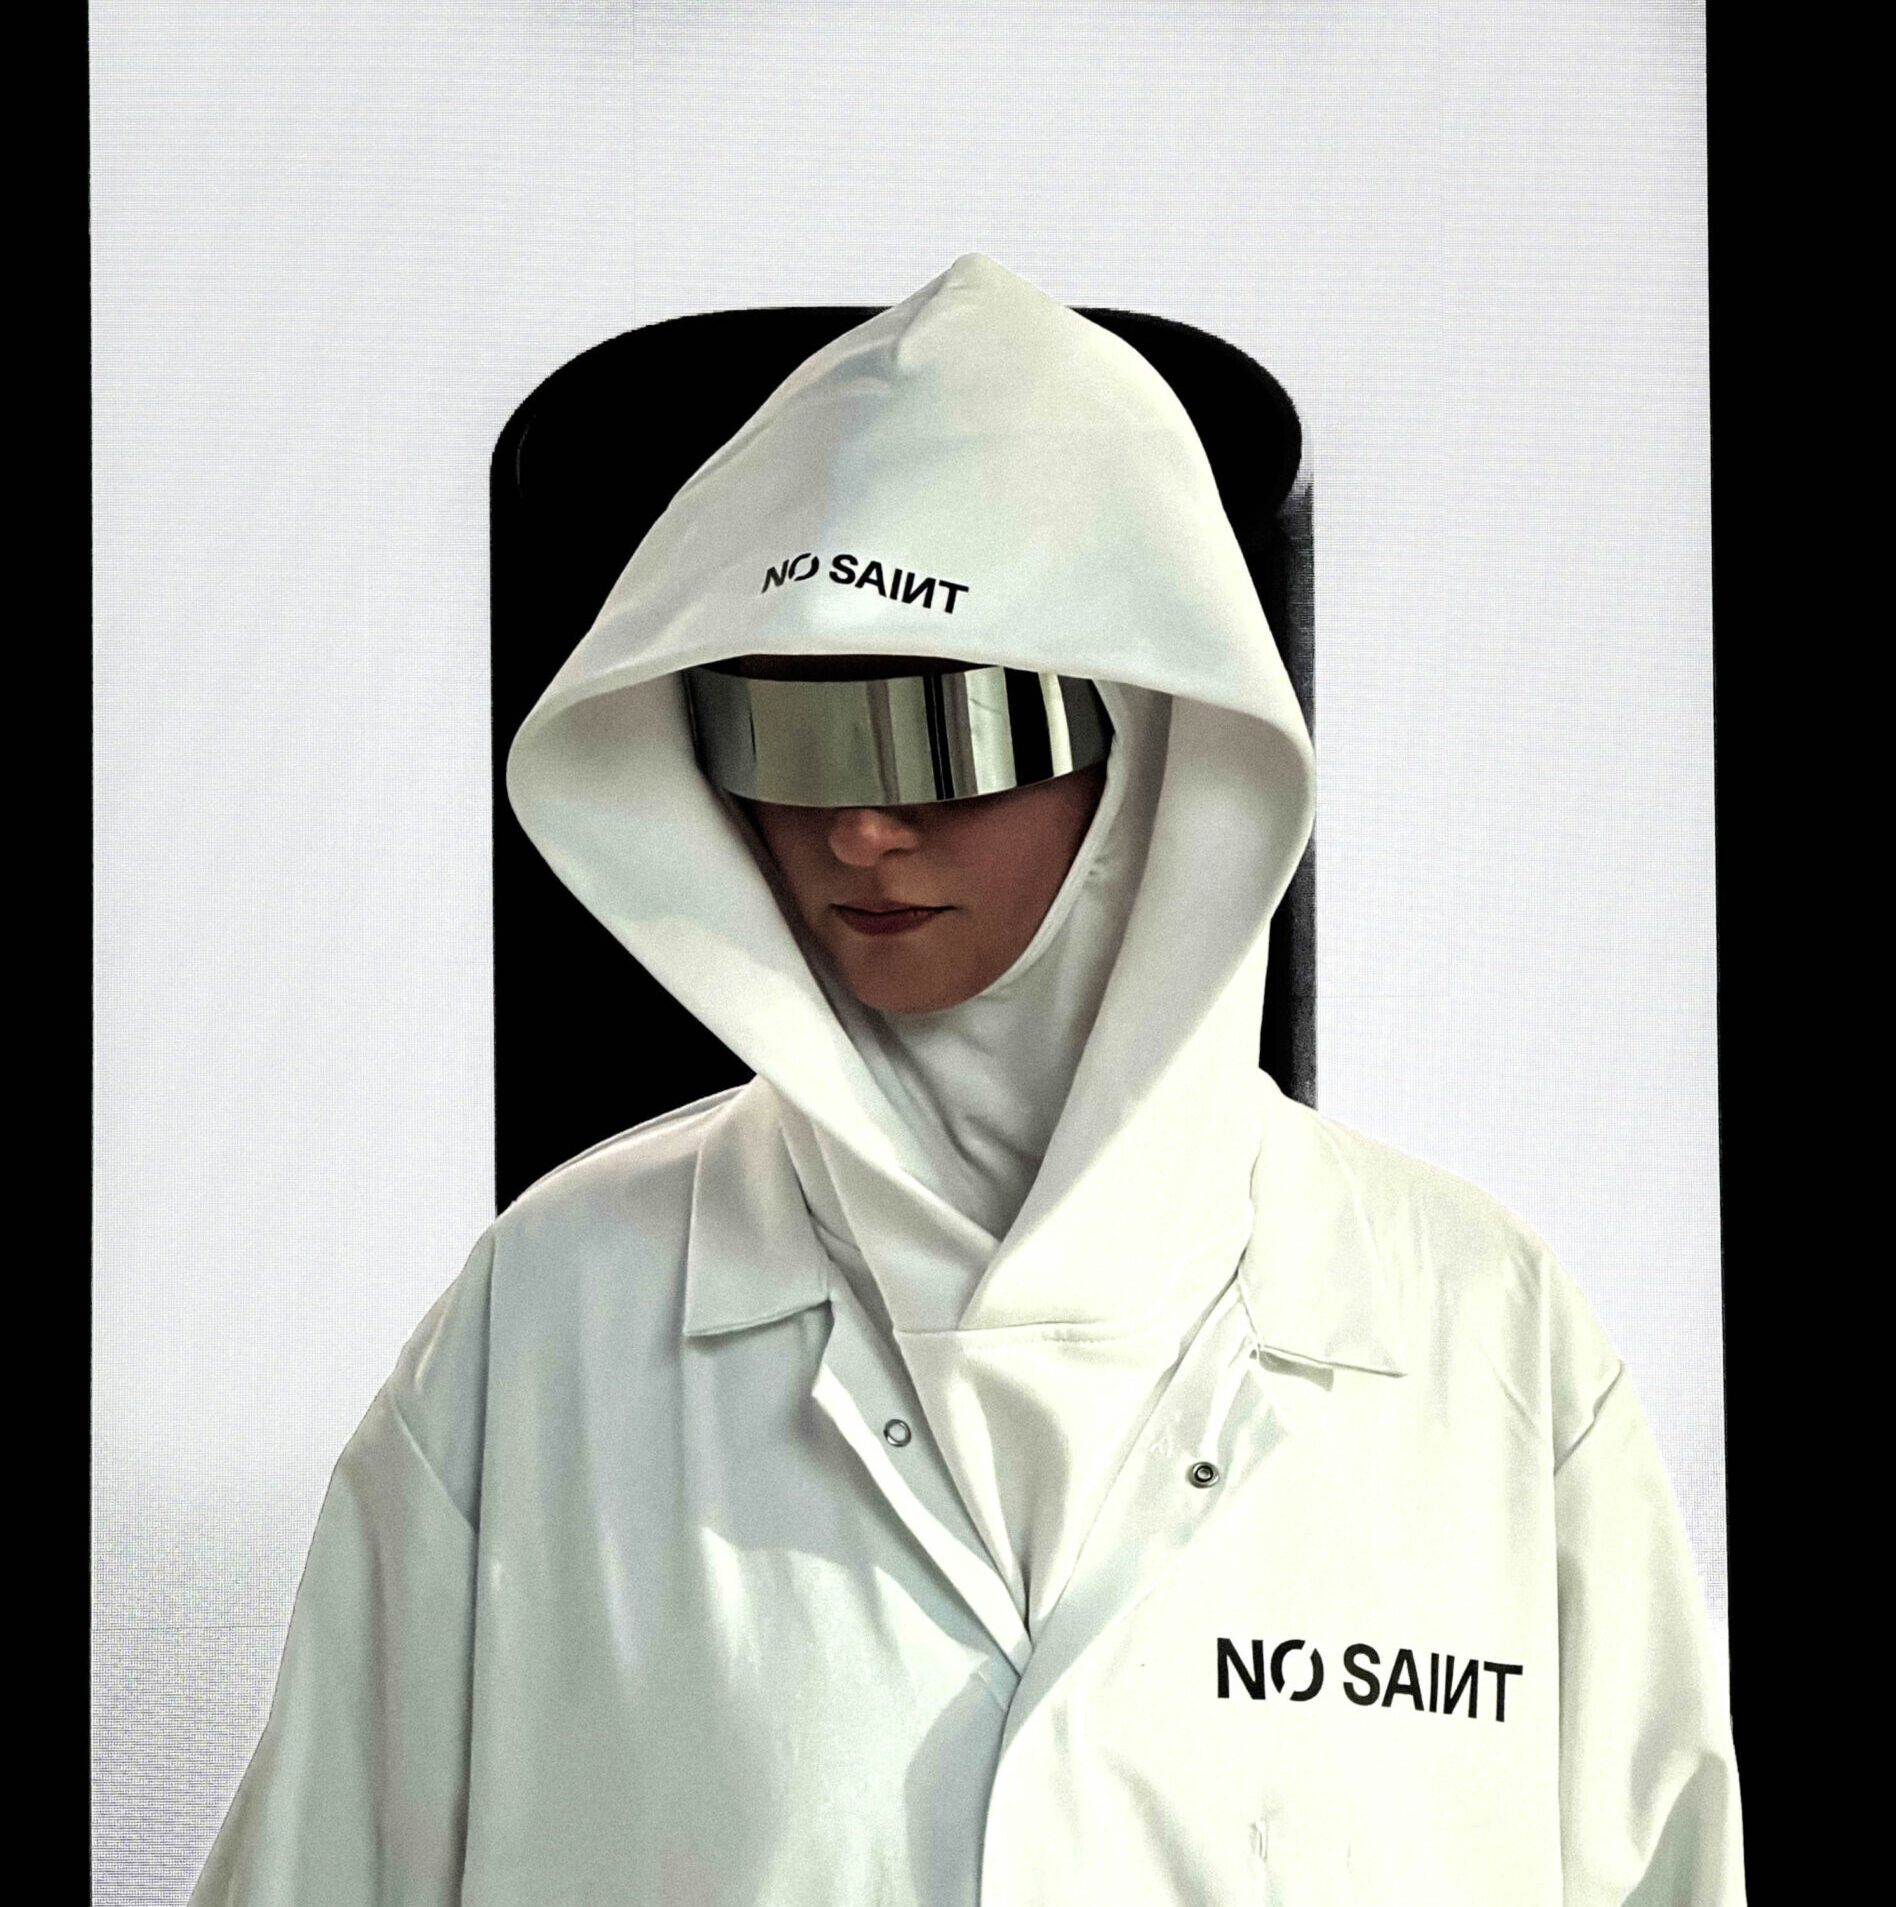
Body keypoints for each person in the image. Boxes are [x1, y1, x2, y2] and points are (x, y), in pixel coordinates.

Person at [190, 254, 1744, 1904]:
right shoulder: (550, 1324)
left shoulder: (1483, 1340)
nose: (862, 830)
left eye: (949, 738)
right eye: (790, 740)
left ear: (1154, 738)